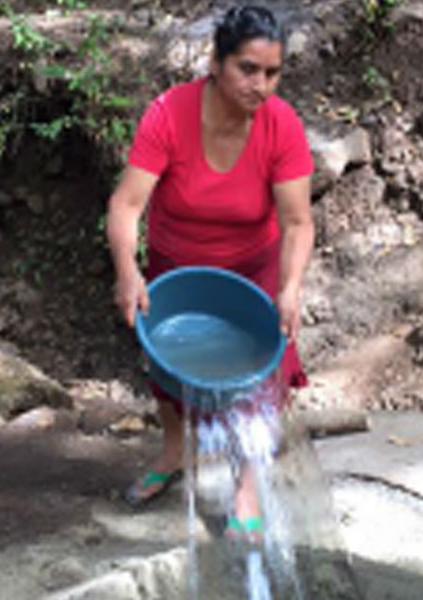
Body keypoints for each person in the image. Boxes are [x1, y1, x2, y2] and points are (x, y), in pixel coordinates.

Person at [106, 5, 314, 539]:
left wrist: (290, 288)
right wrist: (128, 271)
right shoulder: (169, 115)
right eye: (248, 69)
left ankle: (247, 484)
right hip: (179, 268)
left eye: (272, 73)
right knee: (167, 368)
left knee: (262, 376)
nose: (260, 85)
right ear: (215, 63)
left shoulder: (281, 125)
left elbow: (297, 222)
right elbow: (127, 206)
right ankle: (174, 452)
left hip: (253, 272)